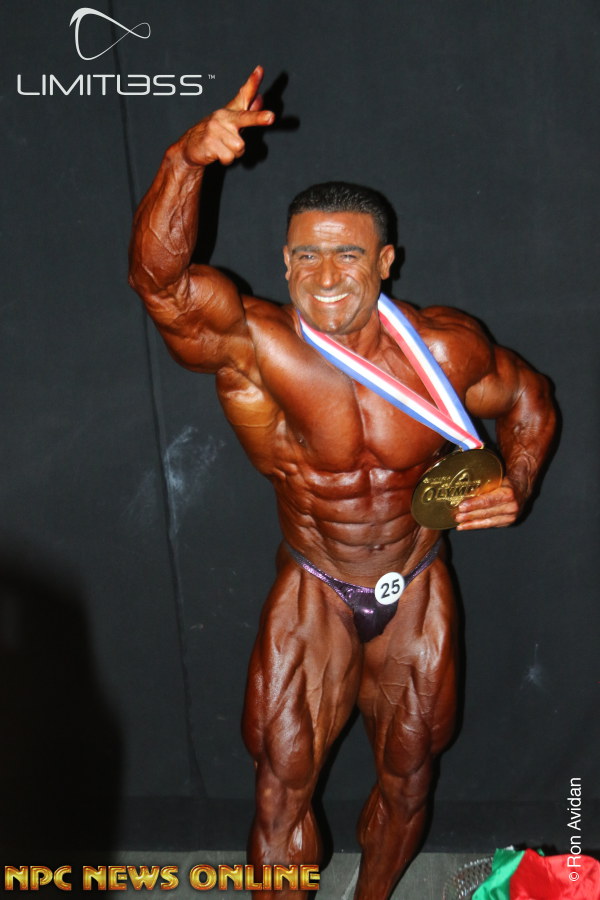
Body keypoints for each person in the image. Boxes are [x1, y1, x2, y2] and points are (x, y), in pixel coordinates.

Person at [128, 67, 556, 900]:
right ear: (285, 262)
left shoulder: (445, 352)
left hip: (416, 580)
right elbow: (161, 285)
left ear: (386, 262)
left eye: (348, 254)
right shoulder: (258, 348)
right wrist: (186, 161)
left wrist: (520, 479)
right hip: (316, 586)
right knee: (280, 786)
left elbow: (531, 400)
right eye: (307, 255)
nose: (325, 277)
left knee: (409, 779)